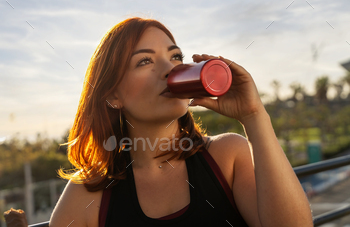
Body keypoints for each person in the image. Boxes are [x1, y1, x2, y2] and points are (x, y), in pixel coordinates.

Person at [49, 17, 313, 227]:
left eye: (175, 56)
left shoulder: (228, 157)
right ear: (113, 95)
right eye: (145, 61)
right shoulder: (87, 195)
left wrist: (254, 116)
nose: (170, 69)